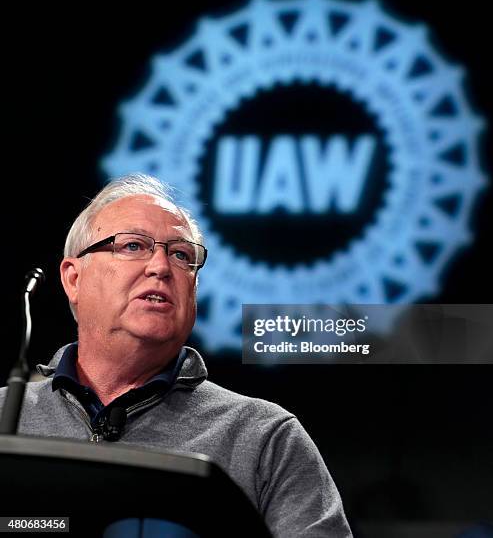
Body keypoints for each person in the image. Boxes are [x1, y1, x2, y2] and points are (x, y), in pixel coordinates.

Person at [0, 173, 352, 537]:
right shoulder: (4, 416)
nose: (161, 267)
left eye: (181, 254)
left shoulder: (263, 437)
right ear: (73, 279)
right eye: (133, 246)